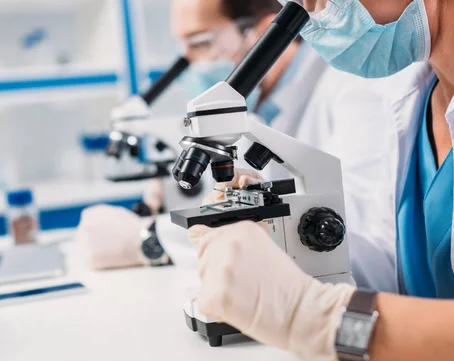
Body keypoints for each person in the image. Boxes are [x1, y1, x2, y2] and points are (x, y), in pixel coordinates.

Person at [190, 0, 454, 361]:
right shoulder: (388, 94)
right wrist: (282, 245)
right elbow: (388, 267)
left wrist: (321, 318)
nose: (307, 6)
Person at [73, 0, 327, 270]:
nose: (190, 63)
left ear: (263, 32)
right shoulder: (257, 103)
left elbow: (351, 237)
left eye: (200, 43)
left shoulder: (339, 92)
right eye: (182, 49)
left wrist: (151, 238)